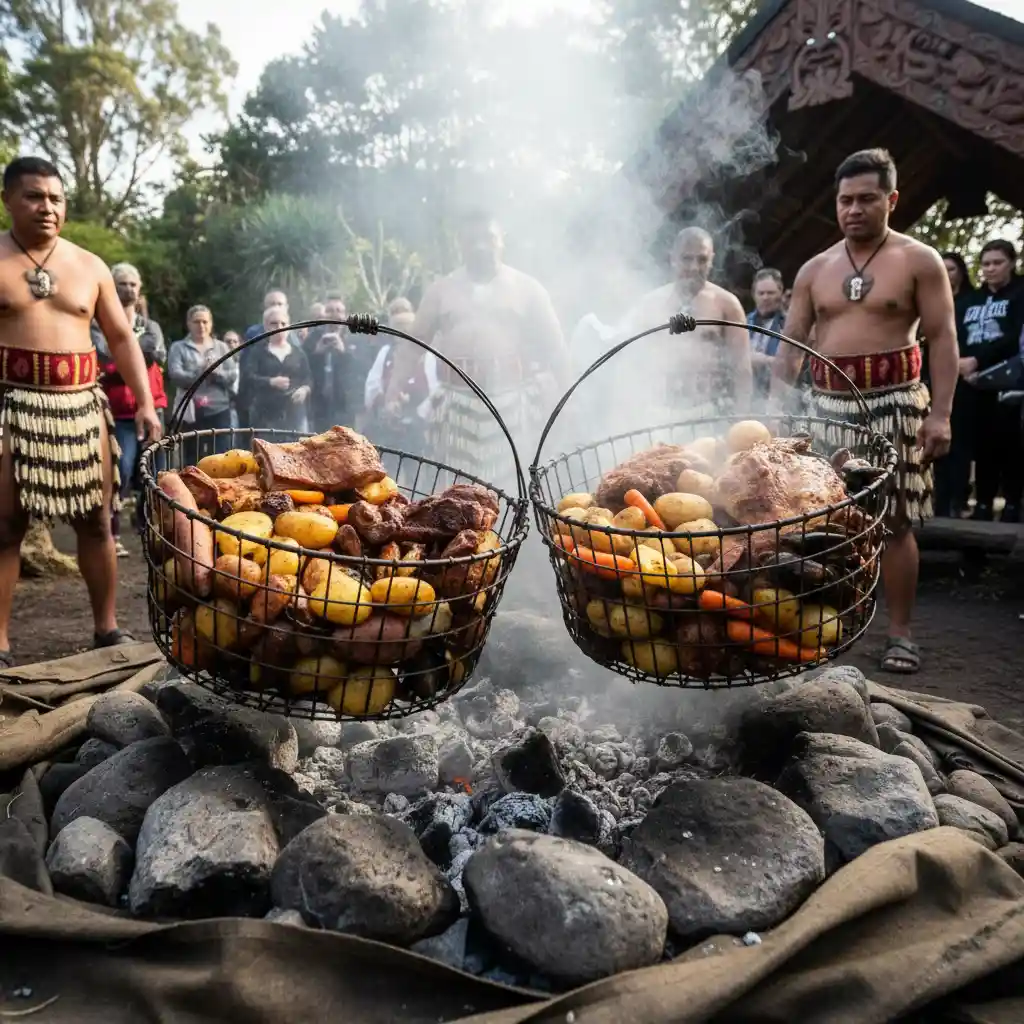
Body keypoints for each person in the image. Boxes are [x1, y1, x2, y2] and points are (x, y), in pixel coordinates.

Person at [773, 148, 957, 675]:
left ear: (891, 199)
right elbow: (789, 346)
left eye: (866, 199)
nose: (853, 209)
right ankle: (830, 624)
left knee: (895, 521)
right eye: (845, 200)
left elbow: (944, 338)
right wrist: (775, 414)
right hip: (826, 405)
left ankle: (900, 633)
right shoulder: (815, 269)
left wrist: (940, 414)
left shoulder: (918, 260)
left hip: (896, 404)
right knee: (823, 521)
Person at [0, 156, 161, 663]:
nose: (46, 207)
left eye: (55, 198)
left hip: (83, 407)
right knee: (5, 525)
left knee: (97, 519)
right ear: (8, 199)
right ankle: (0, 640)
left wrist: (145, 404)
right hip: (12, 405)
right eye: (33, 196)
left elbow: (121, 338)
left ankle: (107, 627)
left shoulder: (89, 266)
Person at [383, 210, 569, 489]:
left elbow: (556, 348)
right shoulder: (441, 290)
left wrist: (567, 400)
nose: (480, 245)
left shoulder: (528, 289)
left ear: (501, 240)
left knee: (515, 489)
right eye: (471, 239)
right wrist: (392, 391)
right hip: (456, 404)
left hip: (512, 402)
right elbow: (412, 347)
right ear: (460, 243)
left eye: (488, 238)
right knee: (457, 491)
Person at [618, 226, 753, 423]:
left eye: (702, 259)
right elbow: (631, 365)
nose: (694, 267)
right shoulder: (649, 304)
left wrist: (742, 420)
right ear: (673, 258)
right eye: (686, 259)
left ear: (712, 259)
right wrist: (627, 413)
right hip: (660, 411)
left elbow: (741, 368)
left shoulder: (726, 304)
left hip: (711, 410)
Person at [91, 263, 167, 556]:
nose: (129, 289)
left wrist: (122, 356)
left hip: (151, 408)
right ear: (111, 286)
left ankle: (150, 531)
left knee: (154, 473)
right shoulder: (98, 324)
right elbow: (103, 357)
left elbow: (157, 354)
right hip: (116, 412)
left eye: (133, 284)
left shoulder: (151, 326)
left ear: (140, 289)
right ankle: (113, 533)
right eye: (122, 283)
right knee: (118, 473)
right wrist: (133, 357)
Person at [958, 240, 1024, 522]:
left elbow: (1014, 337)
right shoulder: (970, 300)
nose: (991, 269)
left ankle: (1012, 505)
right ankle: (982, 504)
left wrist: (979, 360)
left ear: (1011, 263)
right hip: (972, 382)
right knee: (981, 445)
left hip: (1009, 381)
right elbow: (956, 334)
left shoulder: (1020, 294)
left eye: (997, 262)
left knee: (1011, 444)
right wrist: (961, 362)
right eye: (986, 264)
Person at [931, 252, 976, 518]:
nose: (947, 274)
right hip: (934, 383)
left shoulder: (972, 303)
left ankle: (960, 501)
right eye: (943, 269)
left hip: (967, 386)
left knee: (960, 446)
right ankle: (941, 502)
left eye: (951, 269)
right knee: (936, 450)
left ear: (961, 272)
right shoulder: (931, 301)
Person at [166, 305, 238, 463]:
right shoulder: (178, 348)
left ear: (211, 324)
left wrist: (217, 372)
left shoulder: (221, 347)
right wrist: (201, 371)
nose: (201, 326)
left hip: (219, 410)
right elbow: (176, 375)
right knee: (192, 457)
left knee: (221, 456)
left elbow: (233, 374)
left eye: (205, 321)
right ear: (188, 323)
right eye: (197, 321)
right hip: (191, 411)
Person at [244, 304, 311, 433]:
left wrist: (305, 389)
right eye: (273, 323)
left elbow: (308, 378)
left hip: (295, 415)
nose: (279, 327)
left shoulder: (298, 352)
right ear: (265, 326)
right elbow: (248, 378)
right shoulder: (257, 352)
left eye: (283, 323)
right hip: (265, 416)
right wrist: (270, 382)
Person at [304, 293, 352, 431]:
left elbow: (360, 371)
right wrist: (316, 353)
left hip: (344, 404)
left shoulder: (353, 338)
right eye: (329, 310)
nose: (334, 315)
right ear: (323, 314)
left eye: (338, 311)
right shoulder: (313, 337)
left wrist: (344, 352)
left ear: (345, 314)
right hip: (318, 404)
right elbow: (301, 366)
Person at [747, 267, 787, 404]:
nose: (765, 298)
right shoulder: (743, 322)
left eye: (770, 293)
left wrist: (764, 360)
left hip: (778, 397)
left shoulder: (789, 326)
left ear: (780, 294)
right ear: (754, 295)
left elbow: (794, 363)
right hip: (748, 394)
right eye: (761, 293)